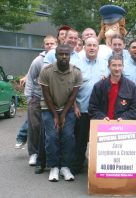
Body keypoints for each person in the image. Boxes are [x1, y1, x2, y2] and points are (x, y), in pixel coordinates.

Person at [39, 44, 83, 182]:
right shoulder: (46, 71)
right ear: (56, 55)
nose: (64, 57)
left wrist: (63, 115)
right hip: (49, 108)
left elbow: (73, 96)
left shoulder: (76, 72)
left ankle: (65, 166)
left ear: (70, 55)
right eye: (61, 54)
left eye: (67, 54)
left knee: (68, 137)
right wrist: (55, 115)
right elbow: (46, 95)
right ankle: (54, 166)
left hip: (67, 109)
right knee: (52, 137)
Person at [71, 36, 109, 174]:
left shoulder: (106, 65)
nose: (92, 48)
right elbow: (71, 89)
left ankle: (99, 168)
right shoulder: (77, 65)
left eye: (94, 45)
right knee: (80, 141)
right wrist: (74, 106)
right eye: (89, 45)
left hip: (101, 112)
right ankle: (77, 165)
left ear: (98, 48)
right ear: (84, 47)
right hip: (82, 110)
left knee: (100, 142)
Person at [24, 35, 57, 171]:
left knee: (48, 129)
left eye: (52, 43)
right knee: (35, 127)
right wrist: (29, 97)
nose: (49, 46)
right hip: (37, 98)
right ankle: (33, 153)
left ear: (57, 44)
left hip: (53, 100)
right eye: (47, 44)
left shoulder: (59, 58)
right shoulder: (38, 61)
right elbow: (30, 79)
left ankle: (47, 155)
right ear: (44, 46)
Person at [88, 53, 136, 121]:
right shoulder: (99, 86)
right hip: (103, 125)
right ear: (108, 66)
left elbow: (135, 107)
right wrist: (102, 117)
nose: (117, 68)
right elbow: (92, 107)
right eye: (114, 65)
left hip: (122, 126)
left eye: (119, 65)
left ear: (123, 66)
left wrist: (124, 118)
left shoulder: (131, 86)